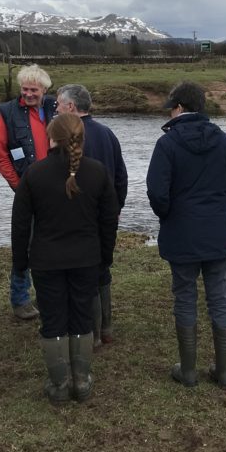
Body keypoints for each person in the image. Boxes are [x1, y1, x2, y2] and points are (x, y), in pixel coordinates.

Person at [11, 113, 118, 404]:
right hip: (86, 259)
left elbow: (20, 224)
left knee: (54, 320)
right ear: (81, 137)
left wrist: (20, 262)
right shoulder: (97, 172)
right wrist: (104, 258)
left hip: (47, 261)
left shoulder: (34, 173)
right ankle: (81, 382)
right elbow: (109, 221)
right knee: (82, 318)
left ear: (51, 137)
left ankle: (59, 384)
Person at [146, 81, 226, 389]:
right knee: (219, 298)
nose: (169, 115)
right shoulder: (224, 142)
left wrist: (169, 216)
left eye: (171, 109)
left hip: (181, 233)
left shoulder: (167, 144)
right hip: (218, 233)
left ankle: (188, 371)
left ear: (179, 108)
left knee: (185, 296)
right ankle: (224, 373)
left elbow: (157, 193)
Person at [55, 83, 127, 346]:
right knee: (102, 269)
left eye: (59, 105)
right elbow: (121, 175)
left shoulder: (68, 137)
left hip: (79, 216)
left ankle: (93, 334)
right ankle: (105, 328)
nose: (56, 110)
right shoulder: (108, 134)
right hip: (106, 213)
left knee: (86, 274)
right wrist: (117, 208)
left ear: (71, 107)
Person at [0, 64, 57, 321]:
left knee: (53, 244)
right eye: (24, 89)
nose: (28, 94)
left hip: (56, 190)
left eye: (34, 89)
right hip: (27, 192)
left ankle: (47, 295)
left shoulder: (55, 107)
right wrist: (19, 186)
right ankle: (20, 299)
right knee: (24, 245)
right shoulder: (7, 113)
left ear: (44, 89)